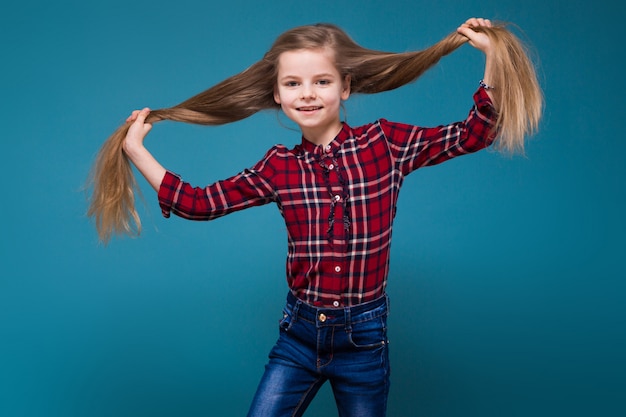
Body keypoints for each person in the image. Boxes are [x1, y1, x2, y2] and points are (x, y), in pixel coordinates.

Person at [88, 18, 542, 416]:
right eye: (293, 84)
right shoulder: (277, 168)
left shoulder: (385, 143)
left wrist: (492, 59)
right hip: (299, 339)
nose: (307, 94)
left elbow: (476, 133)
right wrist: (136, 150)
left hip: (363, 342)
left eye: (322, 81)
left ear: (345, 87)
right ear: (277, 94)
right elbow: (199, 203)